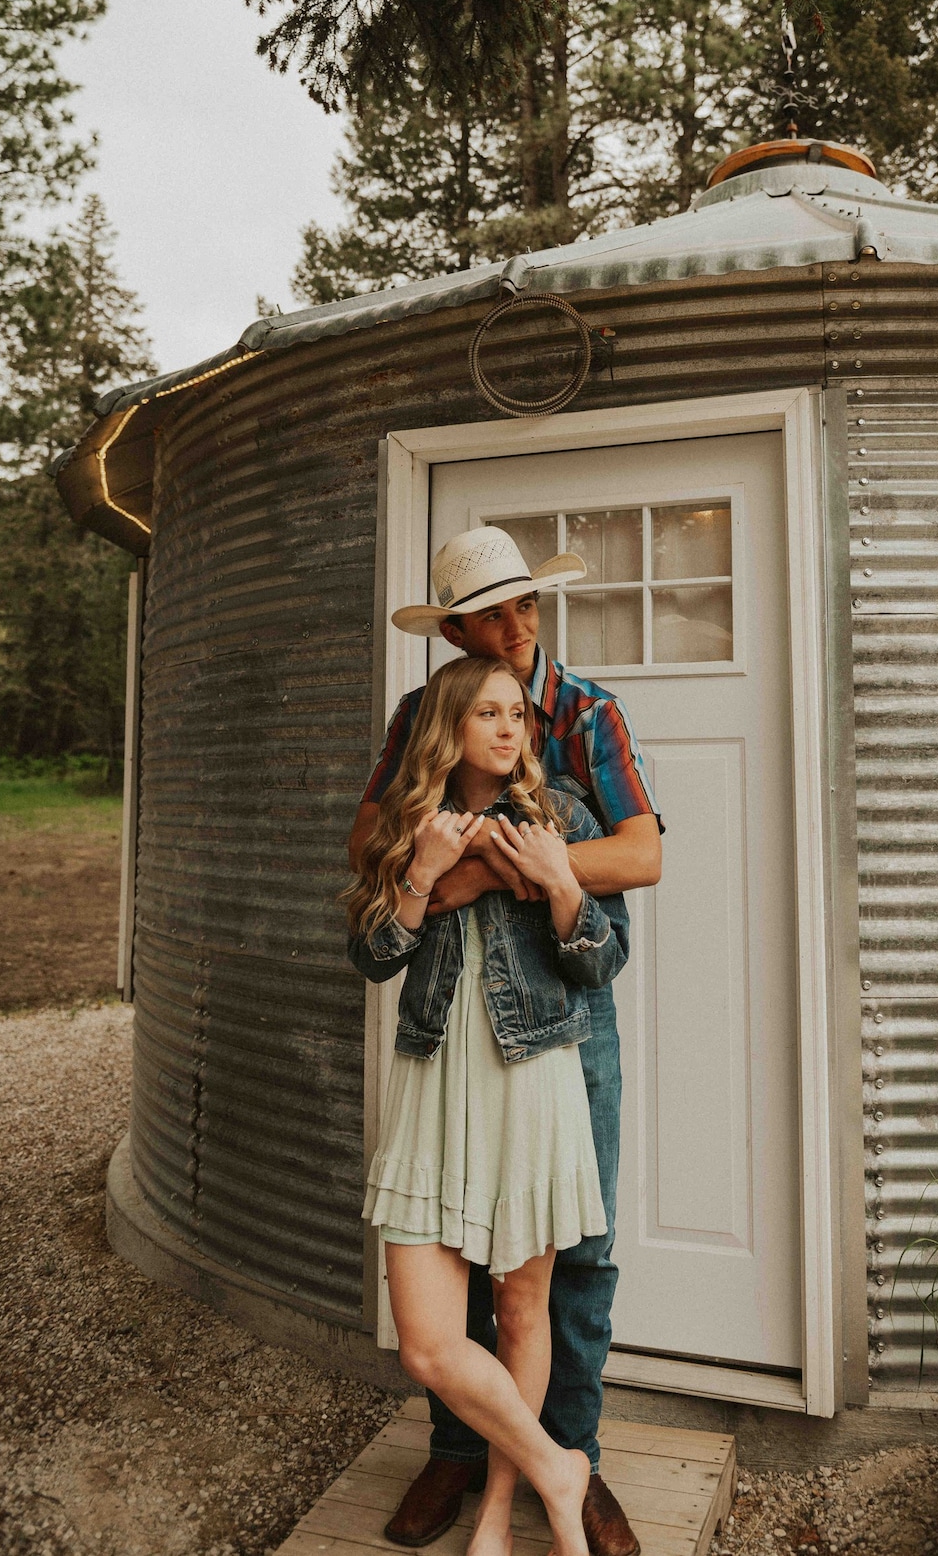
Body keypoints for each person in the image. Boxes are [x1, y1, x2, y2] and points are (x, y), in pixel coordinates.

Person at [348, 526, 662, 1556]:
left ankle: (570, 1456)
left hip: (556, 1016)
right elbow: (371, 845)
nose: (516, 628)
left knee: (578, 1251)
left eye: (525, 606)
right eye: (492, 613)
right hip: (449, 1038)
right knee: (454, 1260)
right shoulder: (423, 713)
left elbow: (639, 854)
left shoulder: (585, 712)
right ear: (453, 629)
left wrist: (505, 871)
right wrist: (441, 869)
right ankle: (474, 1449)